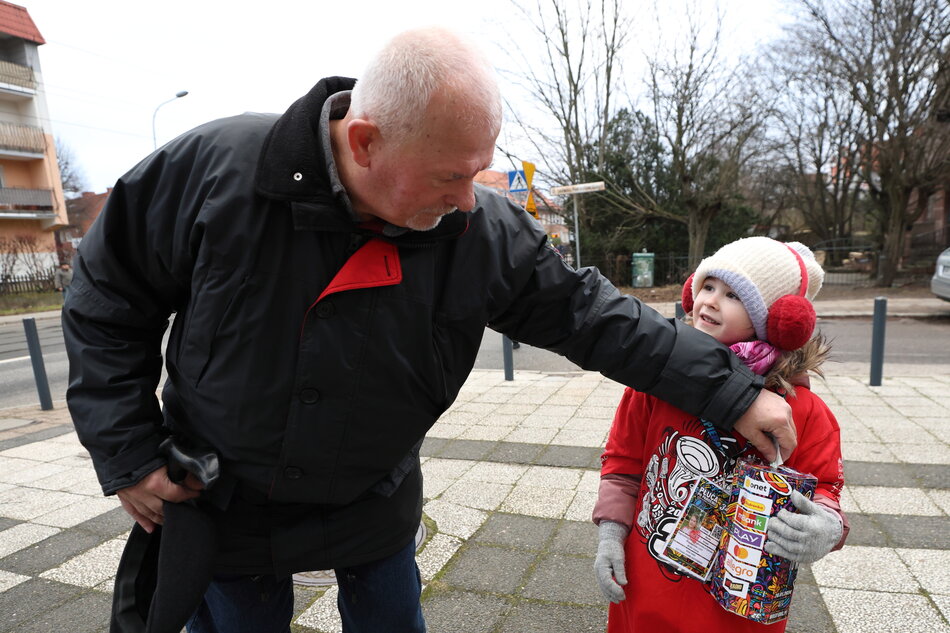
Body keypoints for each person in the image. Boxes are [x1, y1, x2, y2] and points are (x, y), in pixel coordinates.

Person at [64, 27, 796, 633]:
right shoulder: (217, 173)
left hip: (371, 497)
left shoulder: (475, 228)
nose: (468, 199)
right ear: (368, 140)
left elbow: (594, 315)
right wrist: (128, 450)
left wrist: (733, 391)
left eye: (480, 170)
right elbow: (106, 294)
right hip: (229, 497)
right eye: (451, 176)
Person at [592, 236, 850, 633]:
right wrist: (611, 535)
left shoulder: (802, 411)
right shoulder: (653, 384)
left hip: (737, 607)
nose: (709, 301)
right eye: (707, 286)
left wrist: (827, 528)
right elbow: (623, 465)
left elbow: (824, 487)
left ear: (776, 319)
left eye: (733, 295)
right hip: (648, 587)